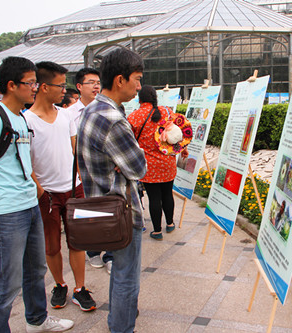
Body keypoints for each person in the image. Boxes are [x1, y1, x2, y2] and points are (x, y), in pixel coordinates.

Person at [0, 56, 73, 332]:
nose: (34, 87)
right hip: (5, 211)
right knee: (8, 282)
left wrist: (39, 193)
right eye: (30, 83)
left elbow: (24, 164)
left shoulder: (19, 118)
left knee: (35, 270)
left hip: (29, 205)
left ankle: (37, 320)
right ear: (12, 85)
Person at [77, 48, 146, 333]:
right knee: (126, 276)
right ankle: (122, 328)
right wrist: (132, 156)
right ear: (120, 79)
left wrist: (124, 161)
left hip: (99, 204)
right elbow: (138, 166)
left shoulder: (92, 108)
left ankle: (118, 321)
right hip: (122, 212)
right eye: (137, 79)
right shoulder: (113, 119)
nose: (139, 87)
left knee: (119, 272)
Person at [25, 61, 96, 312]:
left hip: (73, 189)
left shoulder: (66, 115)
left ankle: (80, 288)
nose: (64, 91)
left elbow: (75, 151)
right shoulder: (27, 121)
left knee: (77, 241)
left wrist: (80, 182)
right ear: (44, 87)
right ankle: (59, 284)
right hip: (47, 194)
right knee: (52, 244)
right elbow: (25, 162)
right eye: (60, 85)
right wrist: (40, 191)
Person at [66, 67, 113, 272]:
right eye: (91, 82)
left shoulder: (105, 110)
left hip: (103, 173)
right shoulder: (67, 115)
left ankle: (110, 253)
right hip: (79, 176)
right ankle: (93, 251)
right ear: (79, 86)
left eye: (98, 82)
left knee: (109, 213)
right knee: (88, 215)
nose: (96, 86)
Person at [127, 85, 186, 240]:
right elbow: (178, 133)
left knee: (154, 197)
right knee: (167, 193)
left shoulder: (133, 117)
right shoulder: (167, 112)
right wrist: (183, 149)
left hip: (148, 165)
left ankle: (157, 231)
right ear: (155, 98)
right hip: (168, 162)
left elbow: (129, 142)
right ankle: (170, 223)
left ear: (139, 99)